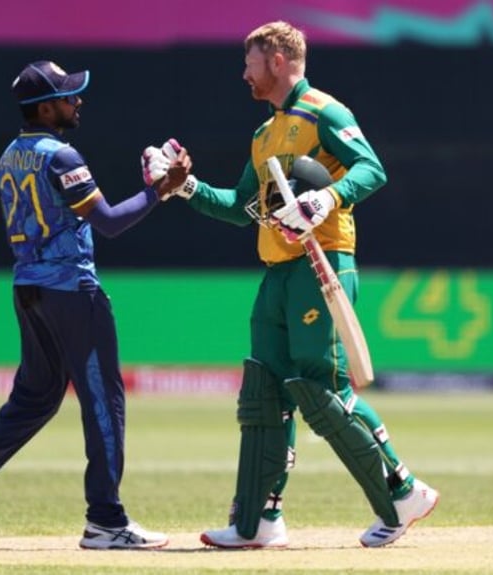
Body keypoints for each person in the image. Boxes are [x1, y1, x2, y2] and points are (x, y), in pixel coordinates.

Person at [144, 21, 438, 548]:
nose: (244, 73)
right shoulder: (264, 135)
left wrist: (326, 199)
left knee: (322, 390)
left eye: (250, 62)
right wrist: (182, 185)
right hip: (277, 270)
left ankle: (402, 490)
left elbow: (372, 169)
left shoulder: (325, 112)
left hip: (322, 263)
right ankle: (258, 522)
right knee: (264, 392)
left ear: (278, 59)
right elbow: (241, 209)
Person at [0, 59, 191, 550]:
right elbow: (108, 221)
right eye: (68, 96)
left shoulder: (9, 155)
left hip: (28, 289)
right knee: (104, 402)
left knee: (36, 399)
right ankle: (106, 519)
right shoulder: (61, 156)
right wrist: (159, 191)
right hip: (72, 291)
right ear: (45, 108)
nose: (76, 101)